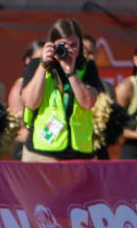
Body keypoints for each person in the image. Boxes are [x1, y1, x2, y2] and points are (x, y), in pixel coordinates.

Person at [21, 18, 103, 162]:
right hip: (42, 152)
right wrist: (43, 65)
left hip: (80, 153)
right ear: (51, 45)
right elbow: (30, 102)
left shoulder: (87, 67)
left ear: (80, 44)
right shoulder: (36, 65)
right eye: (63, 45)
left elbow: (88, 102)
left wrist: (70, 71)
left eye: (74, 45)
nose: (69, 50)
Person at [8, 39, 44, 160]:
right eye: (39, 59)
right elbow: (19, 131)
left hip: (48, 147)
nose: (44, 63)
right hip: (26, 150)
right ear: (28, 61)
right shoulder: (19, 87)